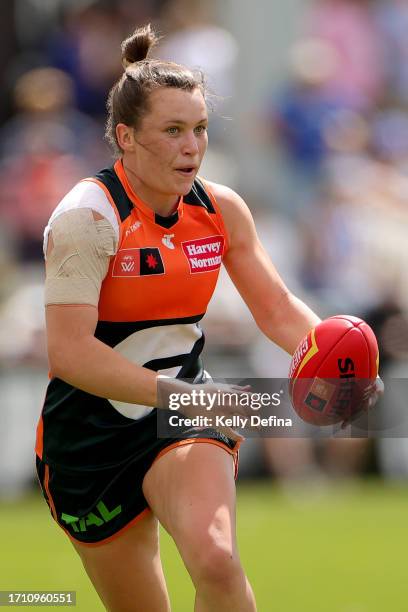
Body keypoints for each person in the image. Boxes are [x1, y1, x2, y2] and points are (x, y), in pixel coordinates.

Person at [34, 24, 378, 612]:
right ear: (126, 137)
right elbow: (70, 353)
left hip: (188, 413)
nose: (192, 146)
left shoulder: (221, 209)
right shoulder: (87, 219)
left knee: (216, 559)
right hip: (88, 439)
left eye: (200, 129)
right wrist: (183, 398)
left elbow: (275, 307)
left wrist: (331, 361)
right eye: (172, 131)